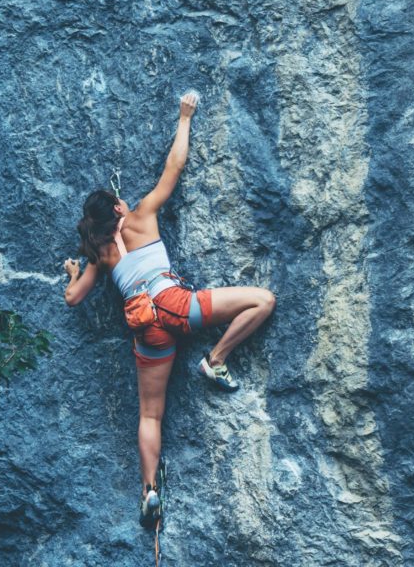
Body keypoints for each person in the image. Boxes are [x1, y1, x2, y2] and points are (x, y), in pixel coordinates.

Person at [62, 93, 276, 528]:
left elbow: (74, 299)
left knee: (149, 414)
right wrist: (184, 117)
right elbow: (173, 167)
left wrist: (72, 272)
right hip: (176, 306)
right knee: (263, 300)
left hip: (147, 330)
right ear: (118, 208)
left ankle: (150, 491)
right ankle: (215, 360)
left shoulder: (98, 254)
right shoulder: (142, 214)